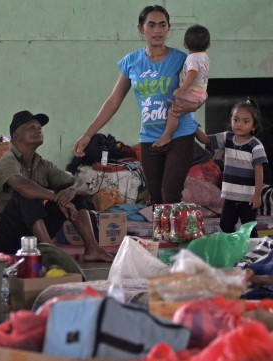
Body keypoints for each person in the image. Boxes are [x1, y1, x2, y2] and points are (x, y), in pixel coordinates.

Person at [73, 5, 202, 205]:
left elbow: (199, 94)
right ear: (141, 29)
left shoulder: (181, 60)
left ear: (168, 28)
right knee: (156, 197)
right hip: (149, 137)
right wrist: (88, 134)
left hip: (179, 133)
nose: (157, 30)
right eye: (151, 25)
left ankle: (178, 236)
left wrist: (193, 107)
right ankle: (162, 236)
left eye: (162, 25)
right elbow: (113, 101)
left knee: (170, 193)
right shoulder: (131, 62)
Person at [0, 110, 113, 262]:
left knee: (69, 191)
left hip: (31, 232)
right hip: (3, 236)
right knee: (27, 195)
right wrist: (56, 198)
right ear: (16, 136)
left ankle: (92, 249)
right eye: (31, 128)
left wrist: (70, 192)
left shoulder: (43, 164)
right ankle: (50, 251)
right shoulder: (8, 160)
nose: (38, 129)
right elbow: (21, 186)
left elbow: (81, 184)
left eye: (39, 127)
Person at [196, 99, 268, 238]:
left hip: (248, 198)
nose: (239, 124)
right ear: (231, 121)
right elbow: (205, 140)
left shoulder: (255, 145)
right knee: (225, 225)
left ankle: (256, 253)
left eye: (245, 121)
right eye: (236, 120)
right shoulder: (226, 138)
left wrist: (257, 195)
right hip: (230, 196)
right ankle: (233, 248)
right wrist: (193, 127)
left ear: (253, 126)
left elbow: (259, 171)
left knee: (249, 228)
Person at [154, 24, 211, 147]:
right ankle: (193, 125)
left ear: (185, 44)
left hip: (192, 93)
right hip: (201, 93)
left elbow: (192, 73)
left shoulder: (192, 58)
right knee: (182, 111)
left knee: (173, 111)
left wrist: (182, 89)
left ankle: (166, 136)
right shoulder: (204, 57)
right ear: (209, 44)